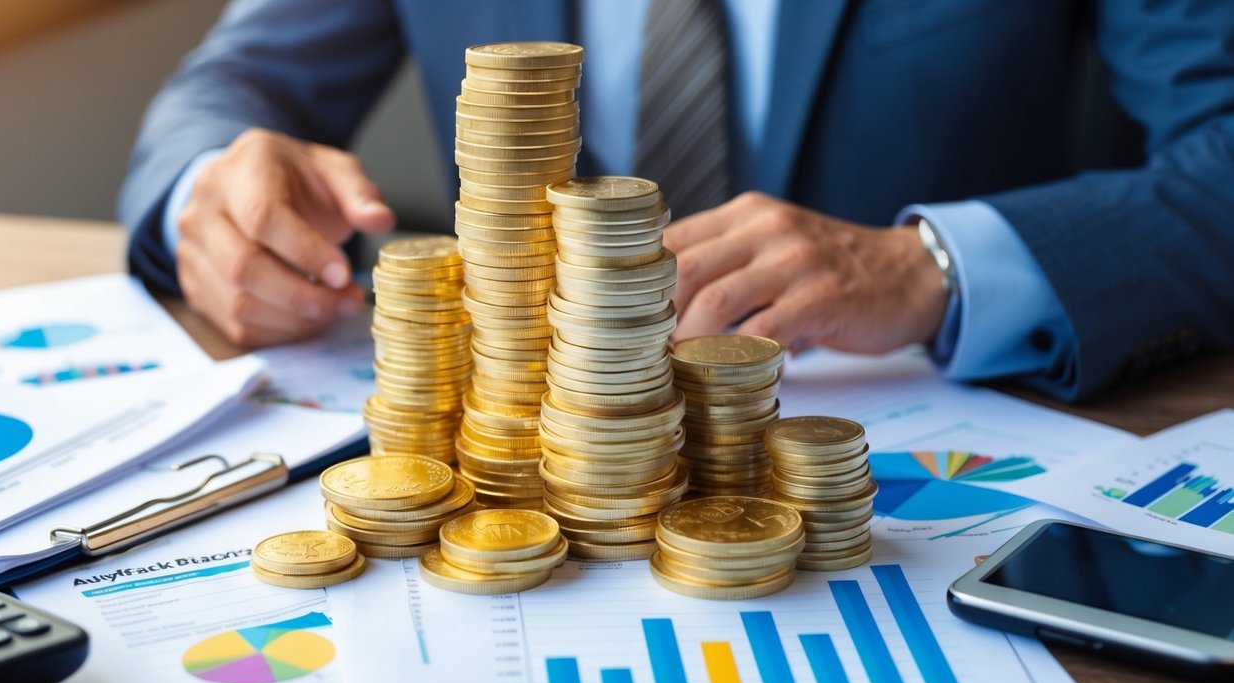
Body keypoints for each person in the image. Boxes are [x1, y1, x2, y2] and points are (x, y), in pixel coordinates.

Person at [119, 0, 1234, 402]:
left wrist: (932, 265)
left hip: (876, 478)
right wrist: (203, 192)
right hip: (524, 485)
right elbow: (227, 86)